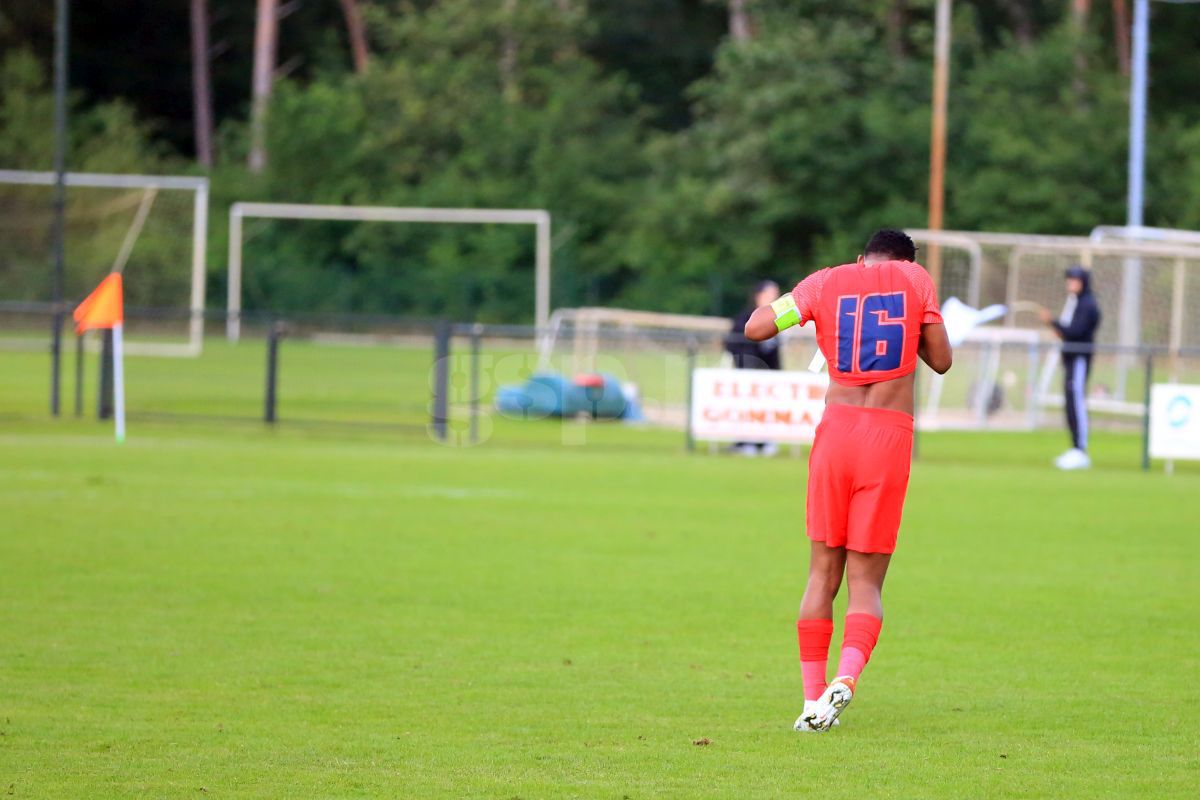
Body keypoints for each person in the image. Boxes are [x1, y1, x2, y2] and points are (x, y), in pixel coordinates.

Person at [744, 229, 952, 732]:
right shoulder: (915, 279)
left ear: (862, 257)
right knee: (866, 582)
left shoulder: (827, 282)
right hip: (887, 437)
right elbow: (942, 360)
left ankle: (812, 701)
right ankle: (848, 678)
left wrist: (808, 309)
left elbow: (756, 328)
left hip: (835, 434)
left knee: (821, 573)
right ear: (906, 260)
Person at [1039, 265, 1101, 471]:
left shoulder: (1088, 304)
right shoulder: (1075, 303)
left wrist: (1053, 323)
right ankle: (1075, 447)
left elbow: (1076, 331)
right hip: (1070, 360)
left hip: (1079, 360)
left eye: (1075, 280)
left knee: (1077, 403)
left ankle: (1080, 449)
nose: (1070, 284)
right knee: (1070, 403)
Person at [726, 280, 784, 456]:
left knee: (766, 408)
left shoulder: (779, 320)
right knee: (746, 407)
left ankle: (765, 441)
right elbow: (733, 344)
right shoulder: (745, 318)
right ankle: (744, 441)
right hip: (748, 375)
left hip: (769, 376)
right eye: (770, 294)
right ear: (759, 295)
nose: (774, 297)